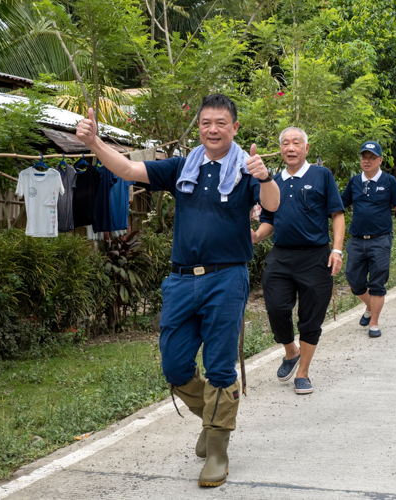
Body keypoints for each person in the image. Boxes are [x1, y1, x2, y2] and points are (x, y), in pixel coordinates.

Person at [75, 95, 280, 487]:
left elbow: (273, 206)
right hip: (182, 280)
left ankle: (217, 451)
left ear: (235, 128)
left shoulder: (245, 170)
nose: (213, 129)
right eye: (206, 122)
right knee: (174, 365)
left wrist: (265, 177)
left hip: (226, 277)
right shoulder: (183, 167)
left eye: (221, 123)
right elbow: (130, 169)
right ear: (199, 127)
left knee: (220, 367)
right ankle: (213, 415)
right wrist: (95, 145)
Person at [252, 127, 345, 395]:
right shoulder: (271, 182)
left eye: (296, 143)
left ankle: (302, 372)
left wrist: (336, 251)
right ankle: (290, 351)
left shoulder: (321, 175)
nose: (290, 148)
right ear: (280, 150)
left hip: (316, 256)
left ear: (306, 148)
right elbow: (268, 222)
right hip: (281, 255)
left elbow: (337, 214)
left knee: (310, 318)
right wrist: (256, 236)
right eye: (285, 144)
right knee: (276, 308)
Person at [340, 141, 396, 338]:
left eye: (372, 157)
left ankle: (374, 323)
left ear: (380, 160)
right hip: (356, 240)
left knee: (377, 282)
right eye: (364, 157)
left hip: (380, 240)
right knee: (354, 280)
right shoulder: (355, 181)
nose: (367, 161)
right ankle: (370, 306)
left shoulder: (389, 181)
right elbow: (339, 205)